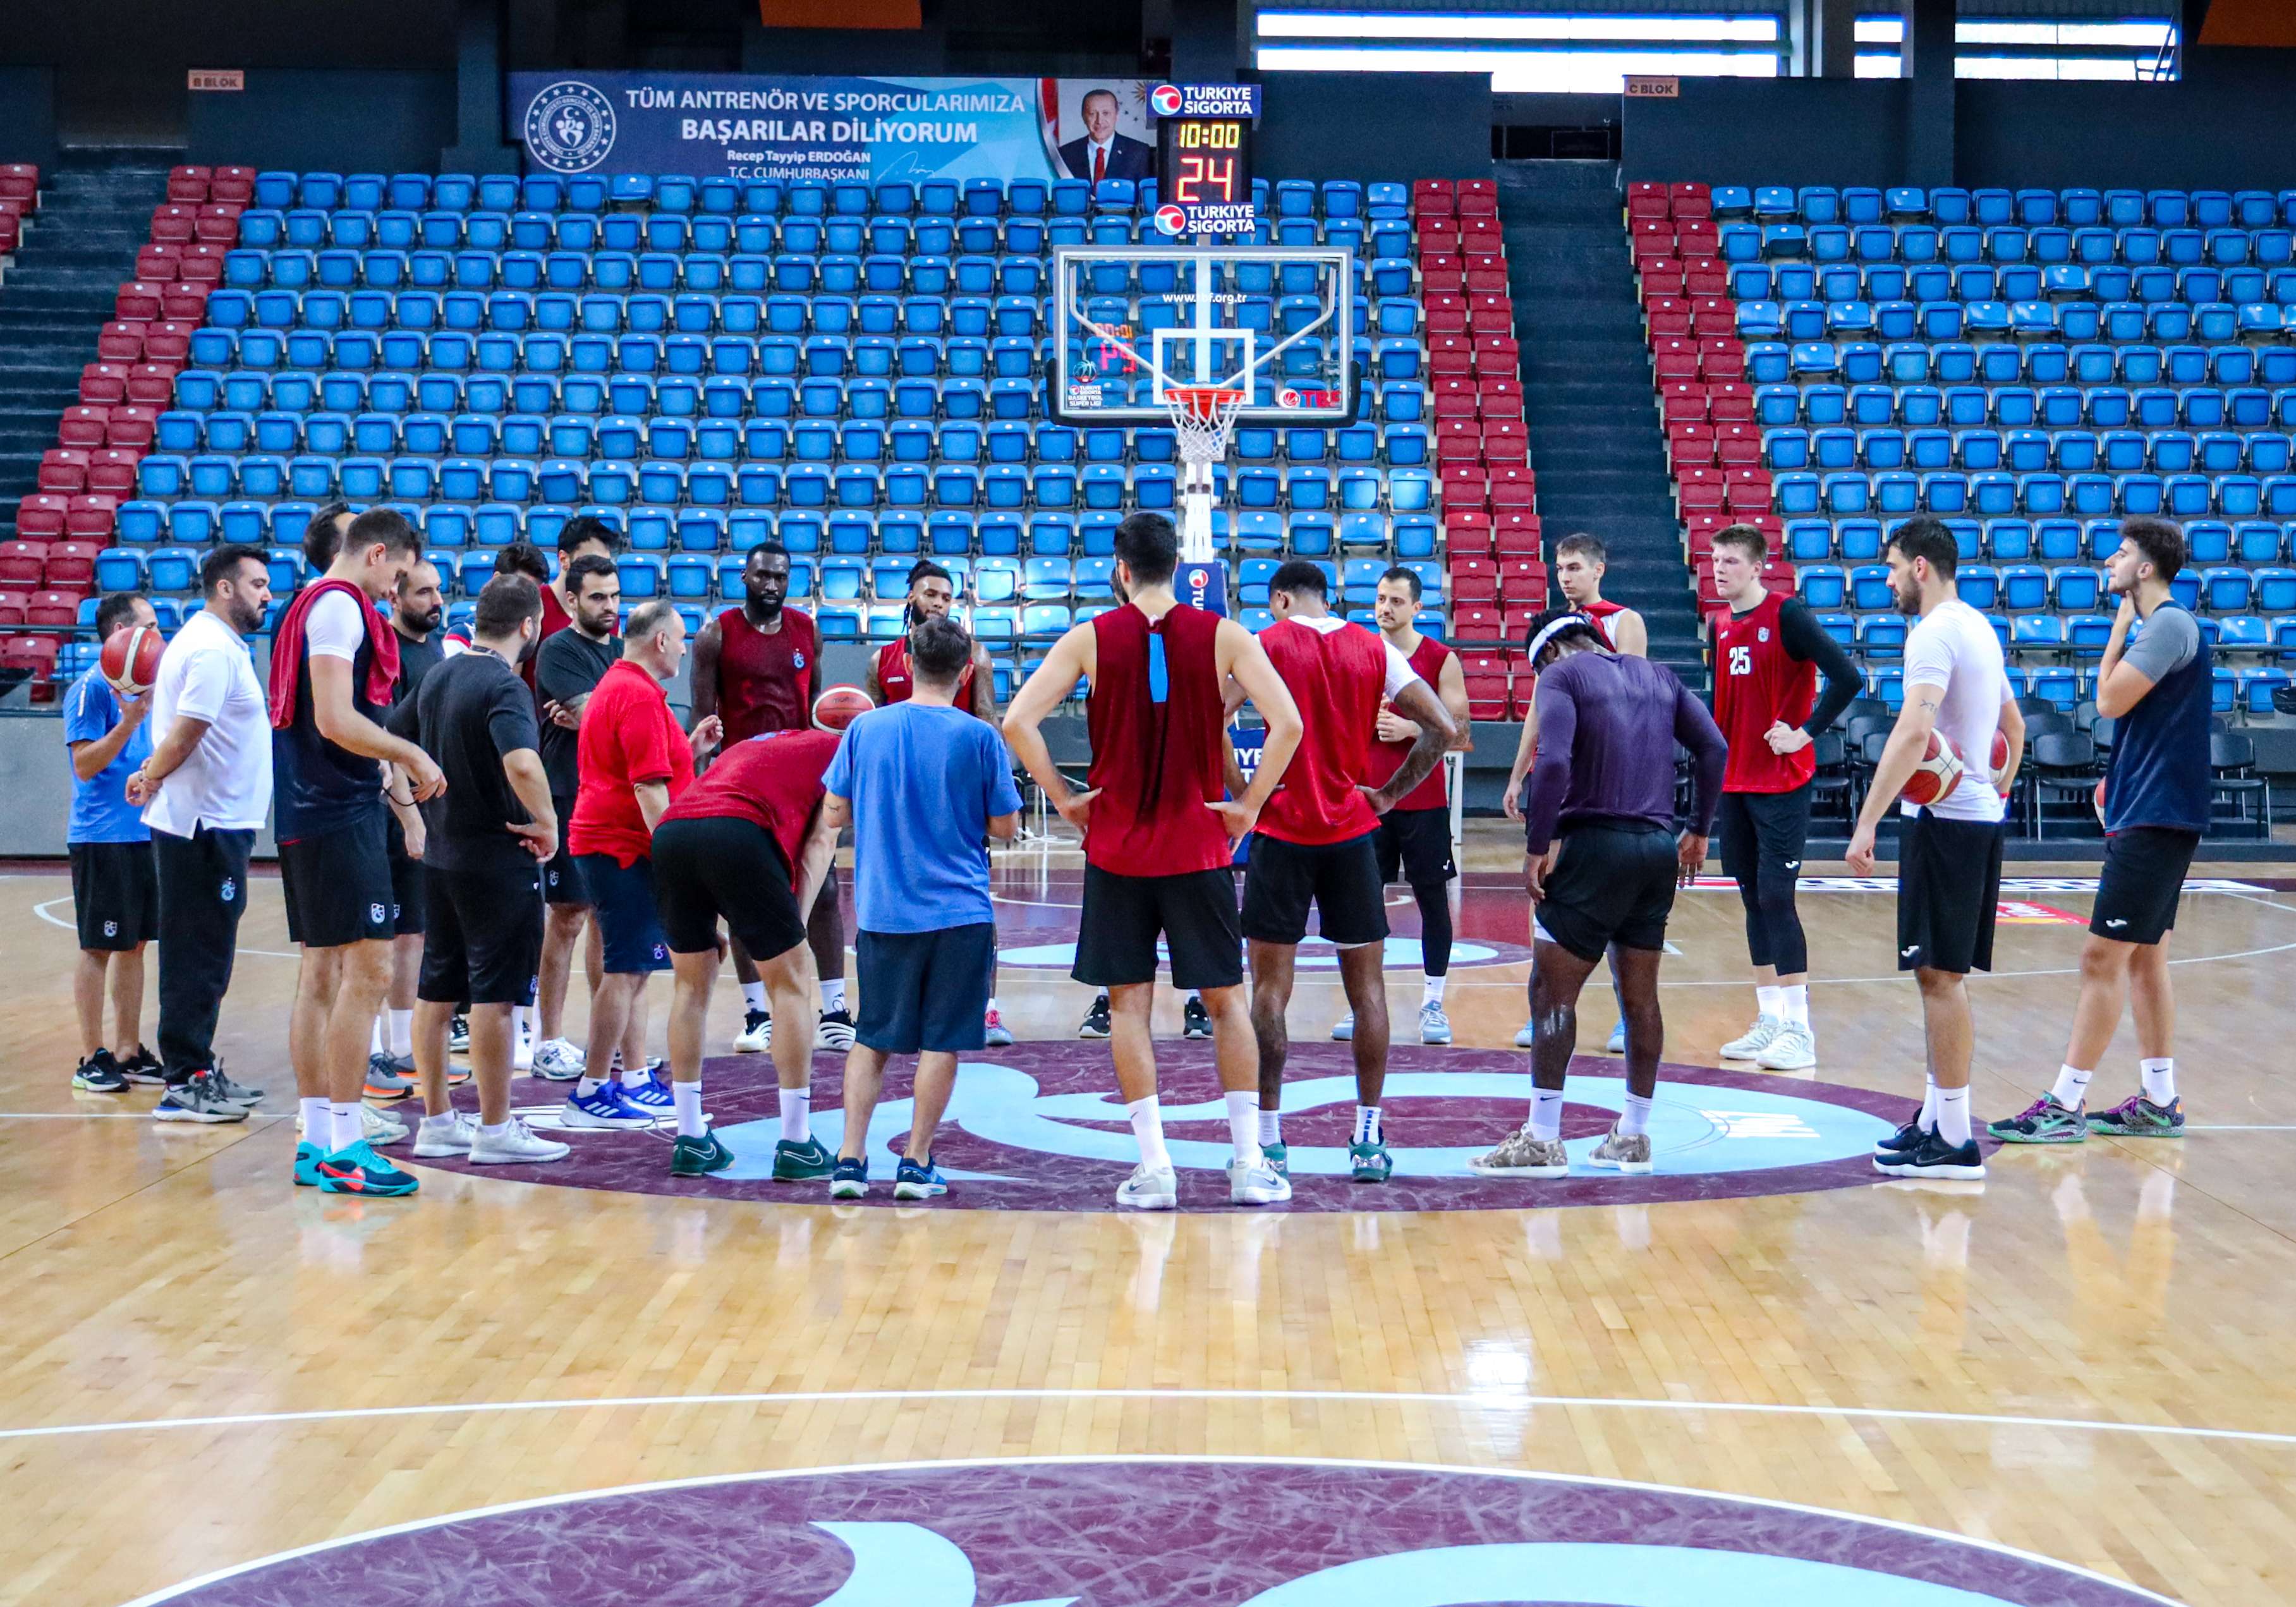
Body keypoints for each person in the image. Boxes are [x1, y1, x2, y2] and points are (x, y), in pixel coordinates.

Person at [1004, 512, 1304, 1210]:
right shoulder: (1226, 634)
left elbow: (1018, 720)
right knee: (1228, 1003)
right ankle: (1248, 1163)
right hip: (1199, 844)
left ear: (1121, 567)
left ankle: (1155, 1167)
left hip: (1118, 848)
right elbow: (1287, 722)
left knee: (1128, 1006)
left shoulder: (1088, 638)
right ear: (1177, 565)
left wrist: (1065, 798)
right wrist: (1252, 803)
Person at [1471, 609, 1725, 1179]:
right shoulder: (1658, 675)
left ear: (1547, 656)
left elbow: (1555, 759)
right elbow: (1713, 749)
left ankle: (1541, 1138)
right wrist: (1699, 828)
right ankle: (1633, 1135)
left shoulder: (1563, 677)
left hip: (1594, 848)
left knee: (1551, 993)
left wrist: (1539, 843)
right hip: (1658, 850)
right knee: (1640, 999)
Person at [1989, 517, 2206, 1146]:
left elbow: (2109, 701)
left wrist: (2116, 631)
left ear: (2145, 569)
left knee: (2100, 955)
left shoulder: (2166, 624)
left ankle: (2065, 1102)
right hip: (2154, 804)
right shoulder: (2162, 626)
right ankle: (2160, 1099)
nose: (2110, 561)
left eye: (2122, 553)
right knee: (2144, 958)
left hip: (2159, 813)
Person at [1245, 562, 1455, 1184]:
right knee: (1368, 993)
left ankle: (1268, 1137)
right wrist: (1388, 795)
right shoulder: (1372, 646)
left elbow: (1209, 714)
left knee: (1269, 993)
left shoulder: (1268, 643)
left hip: (1282, 833)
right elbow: (1443, 728)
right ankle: (1367, 1136)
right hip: (1351, 834)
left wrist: (1246, 795)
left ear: (1282, 598)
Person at [267, 507, 445, 1195]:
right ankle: (345, 1141)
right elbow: (338, 720)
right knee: (368, 969)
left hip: (307, 811)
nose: (396, 589)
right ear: (377, 555)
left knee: (320, 975)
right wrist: (409, 752)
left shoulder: (307, 604)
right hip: (334, 811)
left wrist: (400, 799)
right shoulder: (340, 608)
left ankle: (316, 1137)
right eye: (398, 574)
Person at [1847, 517, 2024, 1182]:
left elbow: (1914, 730)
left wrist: (1867, 822)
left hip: (1948, 823)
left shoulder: (1933, 633)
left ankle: (1954, 1137)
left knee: (1940, 976)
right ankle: (1934, 1116)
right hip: (1972, 818)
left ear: (1920, 567)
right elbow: (2013, 726)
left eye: (1892, 567)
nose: (1888, 580)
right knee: (1937, 974)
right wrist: (1991, 785)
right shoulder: (1977, 624)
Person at [827, 615, 1024, 1199]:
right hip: (959, 913)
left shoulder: (864, 730)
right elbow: (1007, 826)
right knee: (942, 1040)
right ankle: (915, 1162)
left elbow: (834, 812)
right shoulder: (979, 737)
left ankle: (849, 1160)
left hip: (885, 910)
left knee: (872, 1037)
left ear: (906, 664)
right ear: (966, 672)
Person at [387, 574, 569, 1166]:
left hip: (442, 859)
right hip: (496, 861)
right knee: (495, 996)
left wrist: (415, 809)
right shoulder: (505, 685)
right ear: (529, 626)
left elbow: (392, 737)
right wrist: (548, 822)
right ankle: (495, 1129)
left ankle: (438, 1121)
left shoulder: (441, 672)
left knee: (437, 992)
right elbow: (520, 762)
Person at [652, 723, 846, 1180]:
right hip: (737, 830)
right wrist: (793, 926)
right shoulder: (846, 752)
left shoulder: (760, 741)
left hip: (672, 832)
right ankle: (798, 1144)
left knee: (690, 985)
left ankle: (691, 1137)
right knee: (792, 981)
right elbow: (818, 845)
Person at [1704, 523, 1863, 1072]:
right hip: (1735, 779)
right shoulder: (1720, 624)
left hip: (1781, 780)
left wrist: (1804, 730)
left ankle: (1800, 1027)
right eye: (1714, 559)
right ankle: (1768, 1017)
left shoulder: (1788, 614)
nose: (1718, 568)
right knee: (1750, 896)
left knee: (1776, 895)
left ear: (1756, 567)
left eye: (1729, 561)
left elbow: (1847, 677)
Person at [128, 545, 273, 1124]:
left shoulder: (217, 644)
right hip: (203, 826)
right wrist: (149, 774)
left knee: (208, 954)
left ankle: (197, 1066)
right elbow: (191, 728)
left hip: (216, 824)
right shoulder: (211, 648)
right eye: (257, 583)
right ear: (224, 588)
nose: (268, 594)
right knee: (196, 956)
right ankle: (184, 1082)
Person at [562, 600, 720, 1130]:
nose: (684, 648)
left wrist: (690, 749)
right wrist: (678, 857)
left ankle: (627, 1079)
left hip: (609, 844)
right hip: (621, 848)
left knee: (630, 969)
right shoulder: (636, 695)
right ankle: (590, 1089)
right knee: (625, 972)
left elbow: (649, 768)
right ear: (659, 641)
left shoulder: (623, 684)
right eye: (680, 639)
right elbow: (647, 787)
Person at [691, 543, 851, 1054]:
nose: (772, 585)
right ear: (744, 577)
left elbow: (815, 714)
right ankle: (758, 1011)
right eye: (762, 575)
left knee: (823, 891)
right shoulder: (717, 635)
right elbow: (700, 720)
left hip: (801, 778)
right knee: (744, 903)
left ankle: (835, 1009)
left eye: (780, 576)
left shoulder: (808, 631)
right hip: (740, 785)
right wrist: (699, 786)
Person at [1502, 532, 1647, 1053]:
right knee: (1546, 891)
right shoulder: (1552, 632)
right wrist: (1519, 773)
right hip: (1557, 770)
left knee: (1612, 900)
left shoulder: (1622, 621)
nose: (1565, 576)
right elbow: (1539, 708)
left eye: (1574, 567)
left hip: (1604, 774)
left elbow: (1632, 697)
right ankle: (1543, 1006)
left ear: (1598, 570)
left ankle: (1626, 1016)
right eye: (1559, 567)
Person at [864, 559, 1015, 1048]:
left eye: (947, 597)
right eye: (930, 594)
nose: (938, 603)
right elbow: (869, 725)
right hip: (897, 802)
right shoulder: (882, 661)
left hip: (954, 801)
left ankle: (987, 1009)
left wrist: (990, 783)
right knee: (892, 909)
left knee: (976, 907)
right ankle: (889, 1013)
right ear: (910, 597)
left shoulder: (975, 657)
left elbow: (987, 717)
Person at [1332, 565, 1472, 1049]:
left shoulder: (1439, 657)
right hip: (1364, 800)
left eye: (1395, 600)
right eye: (1380, 598)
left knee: (1432, 900)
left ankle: (1433, 1001)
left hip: (1423, 800)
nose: (1384, 608)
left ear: (1418, 608)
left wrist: (1415, 728)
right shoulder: (1355, 652)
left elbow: (1462, 730)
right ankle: (1364, 1003)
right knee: (1360, 904)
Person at [531, 552, 623, 1082]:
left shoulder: (619, 651)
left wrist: (595, 717)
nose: (609, 606)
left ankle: (603, 1038)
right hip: (568, 792)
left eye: (614, 596)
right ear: (571, 599)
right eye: (597, 597)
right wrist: (598, 718)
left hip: (611, 794)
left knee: (606, 919)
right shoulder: (558, 651)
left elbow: (627, 719)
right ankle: (549, 1039)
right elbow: (614, 720)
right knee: (567, 916)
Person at [64, 592, 161, 1093]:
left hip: (146, 831)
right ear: (123, 631)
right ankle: (90, 1055)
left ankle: (127, 1049)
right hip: (102, 837)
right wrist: (128, 722)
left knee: (136, 944)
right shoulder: (90, 690)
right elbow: (84, 764)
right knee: (99, 945)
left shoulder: (151, 687)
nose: (158, 635)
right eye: (149, 625)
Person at [365, 557, 449, 1103]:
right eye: (423, 593)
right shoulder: (385, 654)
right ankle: (372, 1053)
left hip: (428, 809)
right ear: (394, 598)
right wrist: (407, 816)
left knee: (413, 933)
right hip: (389, 814)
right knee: (376, 937)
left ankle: (402, 1048)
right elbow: (385, 743)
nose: (435, 601)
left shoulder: (434, 649)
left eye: (438, 590)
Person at [1059, 87, 1154, 183]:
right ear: (1084, 117)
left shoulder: (1138, 152)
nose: (1099, 121)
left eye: (1106, 113)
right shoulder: (1066, 154)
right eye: (1092, 114)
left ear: (1116, 115)